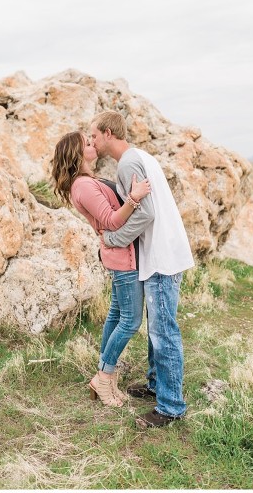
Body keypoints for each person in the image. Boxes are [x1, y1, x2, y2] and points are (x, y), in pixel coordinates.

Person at [90, 110, 195, 428]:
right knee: (157, 329)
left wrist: (112, 238)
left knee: (164, 332)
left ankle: (171, 406)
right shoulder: (139, 156)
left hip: (161, 256)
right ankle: (155, 385)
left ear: (108, 133)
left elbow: (145, 212)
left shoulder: (128, 163)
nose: (92, 141)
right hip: (161, 253)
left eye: (94, 135)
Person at [52, 131, 151, 407]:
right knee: (130, 321)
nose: (92, 143)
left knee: (117, 314)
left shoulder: (87, 181)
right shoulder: (82, 186)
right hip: (121, 256)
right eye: (86, 143)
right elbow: (111, 221)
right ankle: (104, 377)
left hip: (119, 253)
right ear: (76, 153)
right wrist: (134, 197)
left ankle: (105, 376)